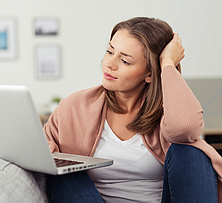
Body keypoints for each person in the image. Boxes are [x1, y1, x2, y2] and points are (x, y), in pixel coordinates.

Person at [43, 17, 222, 203]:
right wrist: (46, 148)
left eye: (125, 61)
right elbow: (41, 144)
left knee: (191, 152)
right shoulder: (74, 106)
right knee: (65, 174)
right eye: (109, 52)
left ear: (150, 74)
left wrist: (168, 64)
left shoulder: (168, 113)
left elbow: (185, 129)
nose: (109, 64)